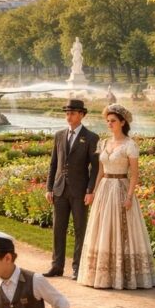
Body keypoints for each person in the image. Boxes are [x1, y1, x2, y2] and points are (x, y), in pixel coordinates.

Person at [76, 104, 155, 289]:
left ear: (122, 122)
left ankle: (123, 274)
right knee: (102, 228)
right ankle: (102, 274)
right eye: (107, 121)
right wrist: (94, 191)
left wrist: (129, 197)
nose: (109, 124)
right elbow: (100, 171)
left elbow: (134, 174)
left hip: (121, 186)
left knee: (122, 230)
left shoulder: (130, 145)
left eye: (113, 121)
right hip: (105, 189)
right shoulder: (103, 143)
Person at [45, 99, 99, 280]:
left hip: (79, 191)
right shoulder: (59, 135)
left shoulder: (91, 137)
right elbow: (53, 164)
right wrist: (49, 187)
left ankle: (77, 268)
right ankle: (56, 266)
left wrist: (90, 190)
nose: (69, 116)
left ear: (82, 115)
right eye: (67, 113)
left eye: (73, 113)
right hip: (59, 190)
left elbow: (95, 168)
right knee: (58, 230)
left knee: (79, 230)